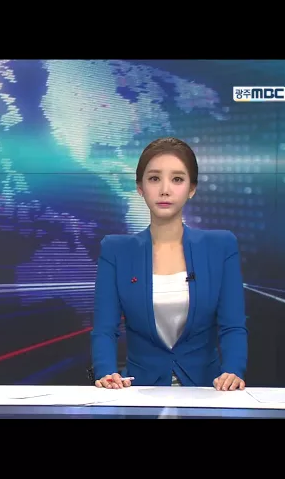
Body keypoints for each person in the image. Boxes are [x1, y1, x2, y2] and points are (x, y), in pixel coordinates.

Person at [91, 137, 248, 391]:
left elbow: (232, 326)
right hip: (140, 391)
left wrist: (233, 371)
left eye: (177, 179)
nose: (165, 190)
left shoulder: (221, 247)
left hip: (207, 391)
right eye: (154, 178)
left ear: (192, 188)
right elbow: (104, 329)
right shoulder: (115, 250)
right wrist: (106, 372)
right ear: (140, 187)